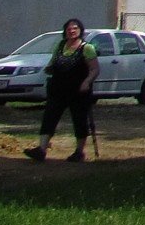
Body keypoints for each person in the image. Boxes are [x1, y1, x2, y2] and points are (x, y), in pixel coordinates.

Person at [24, 18, 98, 162]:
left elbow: (95, 69)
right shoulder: (60, 45)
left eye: (75, 28)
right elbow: (53, 62)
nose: (72, 31)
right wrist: (49, 69)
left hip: (78, 91)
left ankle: (79, 152)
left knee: (79, 120)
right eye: (69, 28)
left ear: (80, 30)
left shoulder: (86, 48)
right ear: (65, 31)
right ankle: (41, 150)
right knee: (49, 117)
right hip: (58, 89)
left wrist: (87, 82)